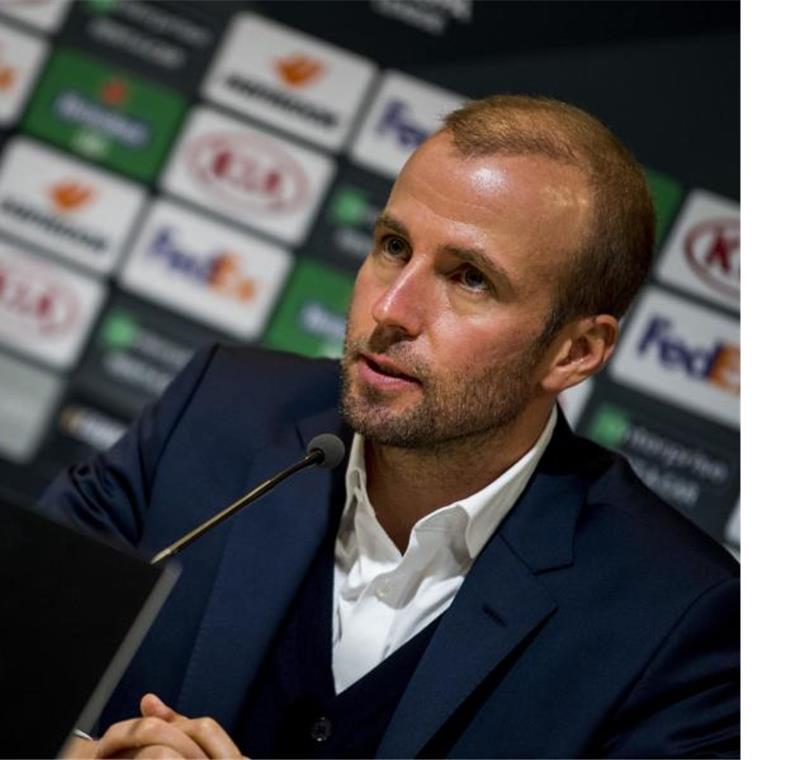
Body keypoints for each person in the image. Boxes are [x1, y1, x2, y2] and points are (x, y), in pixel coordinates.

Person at [41, 95, 740, 758]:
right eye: (393, 246)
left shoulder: (677, 620)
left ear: (574, 351)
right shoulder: (217, 412)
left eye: (470, 278)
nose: (393, 309)